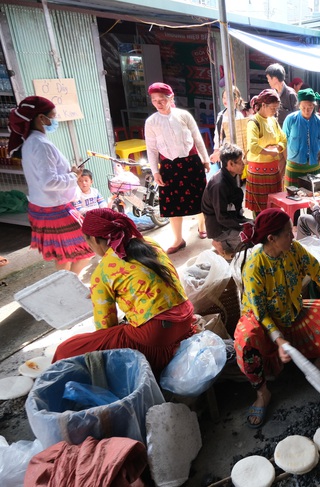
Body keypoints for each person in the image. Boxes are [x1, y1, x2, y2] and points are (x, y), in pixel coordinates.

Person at [234, 208, 320, 427]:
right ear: (271, 238)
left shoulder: (294, 249)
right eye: (287, 233)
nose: (293, 236)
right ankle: (263, 394)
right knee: (246, 344)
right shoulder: (254, 266)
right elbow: (260, 312)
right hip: (263, 323)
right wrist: (279, 340)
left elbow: (317, 269)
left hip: (293, 312)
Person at [53, 208, 196, 376]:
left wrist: (101, 295)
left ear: (94, 239)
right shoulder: (150, 243)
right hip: (186, 318)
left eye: (87, 241)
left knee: (67, 348)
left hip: (156, 334)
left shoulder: (103, 271)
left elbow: (105, 327)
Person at [10, 96, 93, 274]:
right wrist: (73, 175)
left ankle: (68, 286)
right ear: (41, 118)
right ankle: (68, 287)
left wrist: (70, 173)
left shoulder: (32, 142)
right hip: (54, 210)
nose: (54, 120)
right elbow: (49, 182)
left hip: (45, 207)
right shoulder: (40, 145)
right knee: (85, 251)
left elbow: (46, 176)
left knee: (67, 256)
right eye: (53, 116)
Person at [145, 82, 210, 255]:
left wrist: (205, 159)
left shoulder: (183, 115)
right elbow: (151, 149)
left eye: (162, 99)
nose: (159, 103)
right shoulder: (151, 122)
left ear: (171, 98)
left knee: (199, 198)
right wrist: (155, 171)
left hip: (191, 163)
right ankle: (178, 239)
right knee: (173, 204)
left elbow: (197, 138)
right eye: (154, 100)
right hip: (169, 167)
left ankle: (202, 226)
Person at [201, 143, 247, 259]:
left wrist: (246, 222)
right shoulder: (219, 185)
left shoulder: (231, 176)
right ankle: (220, 242)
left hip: (229, 218)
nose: (243, 164)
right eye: (240, 161)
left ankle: (227, 242)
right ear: (230, 164)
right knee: (246, 244)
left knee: (254, 227)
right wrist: (241, 227)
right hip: (218, 226)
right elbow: (221, 217)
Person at [245, 89, 287, 215]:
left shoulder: (273, 120)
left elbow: (283, 139)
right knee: (259, 209)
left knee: (274, 206)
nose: (275, 111)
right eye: (273, 108)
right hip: (257, 172)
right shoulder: (254, 122)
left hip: (273, 170)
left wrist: (277, 148)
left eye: (276, 108)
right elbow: (253, 146)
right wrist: (269, 152)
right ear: (263, 105)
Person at [282, 89, 320, 187]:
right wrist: (287, 161)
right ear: (299, 106)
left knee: (313, 194)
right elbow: (283, 140)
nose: (306, 110)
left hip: (314, 165)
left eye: (309, 107)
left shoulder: (319, 122)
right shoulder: (291, 119)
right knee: (292, 196)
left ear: (314, 106)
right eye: (303, 107)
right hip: (294, 165)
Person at [210, 87, 248, 168]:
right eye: (224, 98)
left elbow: (236, 137)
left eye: (228, 98)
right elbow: (217, 133)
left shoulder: (238, 116)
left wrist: (220, 151)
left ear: (236, 100)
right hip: (222, 148)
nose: (225, 100)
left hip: (232, 150)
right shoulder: (221, 114)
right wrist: (216, 149)